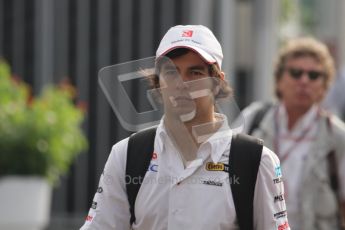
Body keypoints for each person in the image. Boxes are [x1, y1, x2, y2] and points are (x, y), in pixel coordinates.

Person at [80, 25, 289, 230]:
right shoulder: (126, 154)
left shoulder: (258, 159)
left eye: (195, 73)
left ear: (217, 83)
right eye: (171, 72)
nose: (181, 83)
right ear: (157, 82)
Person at [241, 37, 345, 230]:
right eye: (296, 73)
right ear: (279, 80)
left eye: (314, 75)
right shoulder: (253, 119)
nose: (304, 81)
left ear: (324, 86)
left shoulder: (337, 136)